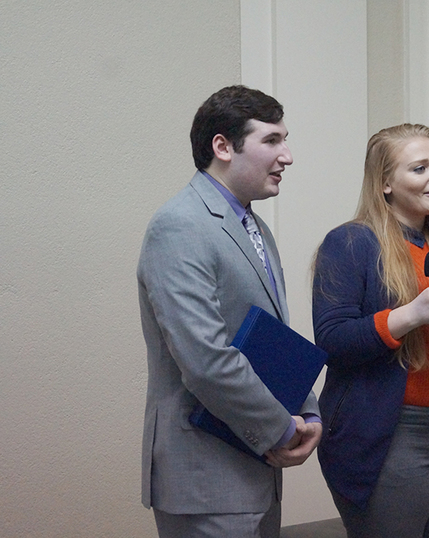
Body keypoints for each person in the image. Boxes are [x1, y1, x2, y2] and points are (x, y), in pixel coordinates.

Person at [137, 85, 322, 538]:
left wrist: (307, 412)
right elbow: (206, 360)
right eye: (272, 140)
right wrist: (281, 430)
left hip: (255, 473)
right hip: (207, 477)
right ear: (223, 146)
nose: (288, 155)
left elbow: (272, 342)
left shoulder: (255, 227)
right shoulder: (179, 226)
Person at [311, 123, 429, 538]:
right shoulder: (351, 243)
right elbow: (333, 340)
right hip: (390, 434)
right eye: (419, 168)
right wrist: (407, 316)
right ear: (385, 185)